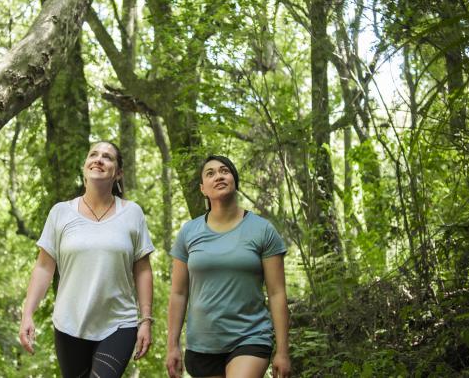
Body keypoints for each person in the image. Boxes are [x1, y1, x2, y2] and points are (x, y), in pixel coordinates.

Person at [19, 141, 155, 378]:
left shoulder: (132, 213)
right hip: (69, 324)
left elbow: (142, 270)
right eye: (93, 154)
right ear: (85, 167)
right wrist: (27, 314)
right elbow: (43, 268)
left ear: (118, 173)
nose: (99, 159)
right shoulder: (61, 212)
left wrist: (146, 320)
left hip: (119, 323)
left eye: (108, 157)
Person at [166, 155, 291, 378]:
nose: (219, 176)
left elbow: (277, 292)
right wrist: (172, 345)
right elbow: (178, 293)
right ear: (203, 188)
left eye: (225, 171)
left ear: (234, 180)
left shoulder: (262, 230)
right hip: (202, 344)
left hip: (251, 336)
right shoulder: (189, 232)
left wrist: (282, 350)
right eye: (210, 173)